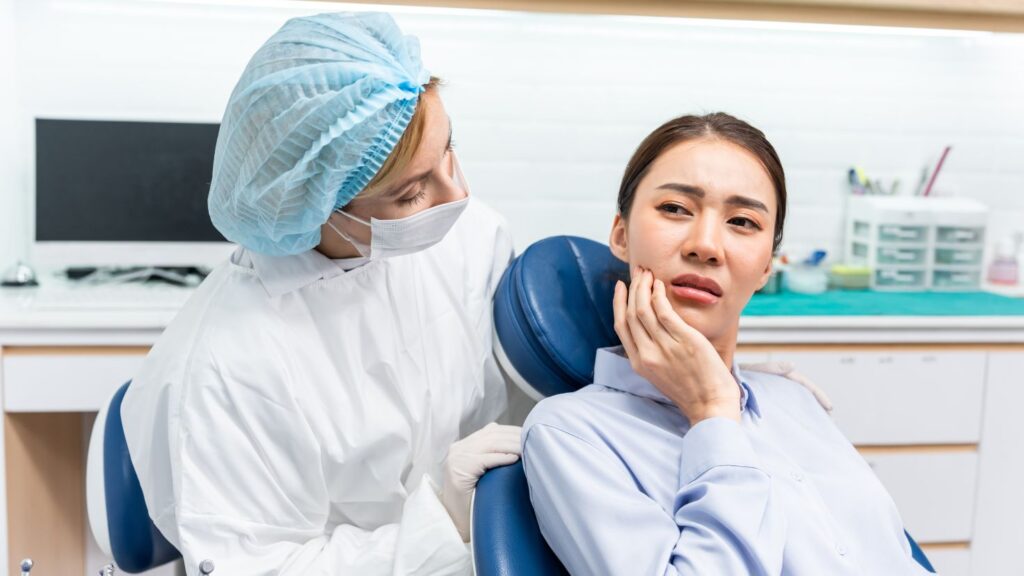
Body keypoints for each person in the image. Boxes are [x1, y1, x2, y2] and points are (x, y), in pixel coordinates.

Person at [122, 12, 521, 575]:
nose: (458, 195)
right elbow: (263, 567)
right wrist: (444, 519)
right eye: (411, 194)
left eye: (450, 150)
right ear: (313, 206)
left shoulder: (468, 239)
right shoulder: (226, 367)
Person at [521, 113, 931, 575]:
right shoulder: (573, 434)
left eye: (742, 221)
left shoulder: (794, 401)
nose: (706, 245)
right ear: (620, 234)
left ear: (765, 269)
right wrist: (713, 412)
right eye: (675, 208)